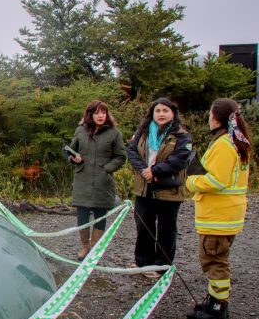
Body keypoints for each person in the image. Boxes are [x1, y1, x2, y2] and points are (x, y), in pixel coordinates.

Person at [185, 98, 252, 319]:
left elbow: (216, 180)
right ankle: (214, 300)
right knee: (217, 258)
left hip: (218, 216)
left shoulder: (224, 144)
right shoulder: (237, 141)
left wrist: (191, 181)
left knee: (214, 260)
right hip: (227, 214)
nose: (208, 118)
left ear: (217, 117)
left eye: (210, 114)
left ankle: (217, 308)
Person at [127, 98, 192, 278]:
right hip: (144, 187)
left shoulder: (181, 135)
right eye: (158, 111)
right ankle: (142, 262)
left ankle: (162, 265)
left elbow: (180, 159)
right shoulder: (143, 131)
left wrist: (155, 171)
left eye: (165, 110)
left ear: (173, 113)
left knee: (166, 228)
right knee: (143, 225)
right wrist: (144, 170)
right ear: (152, 113)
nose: (161, 114)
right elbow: (132, 151)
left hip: (168, 190)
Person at [67, 100, 127, 261]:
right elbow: (71, 151)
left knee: (101, 213)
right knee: (82, 214)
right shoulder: (80, 130)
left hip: (103, 180)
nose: (100, 116)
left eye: (103, 112)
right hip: (82, 179)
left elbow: (121, 156)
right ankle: (85, 246)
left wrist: (107, 169)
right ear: (90, 115)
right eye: (96, 113)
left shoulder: (114, 133)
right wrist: (75, 158)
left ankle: (94, 248)